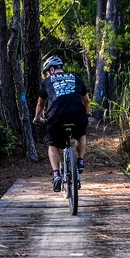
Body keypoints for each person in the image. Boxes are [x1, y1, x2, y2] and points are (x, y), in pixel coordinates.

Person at [34, 55, 91, 192]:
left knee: (53, 144)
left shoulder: (47, 81)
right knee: (80, 134)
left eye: (47, 72)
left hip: (56, 117)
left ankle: (56, 175)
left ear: (52, 69)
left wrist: (37, 118)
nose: (47, 75)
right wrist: (87, 113)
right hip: (77, 114)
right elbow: (87, 101)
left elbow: (40, 104)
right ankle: (80, 161)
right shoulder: (76, 78)